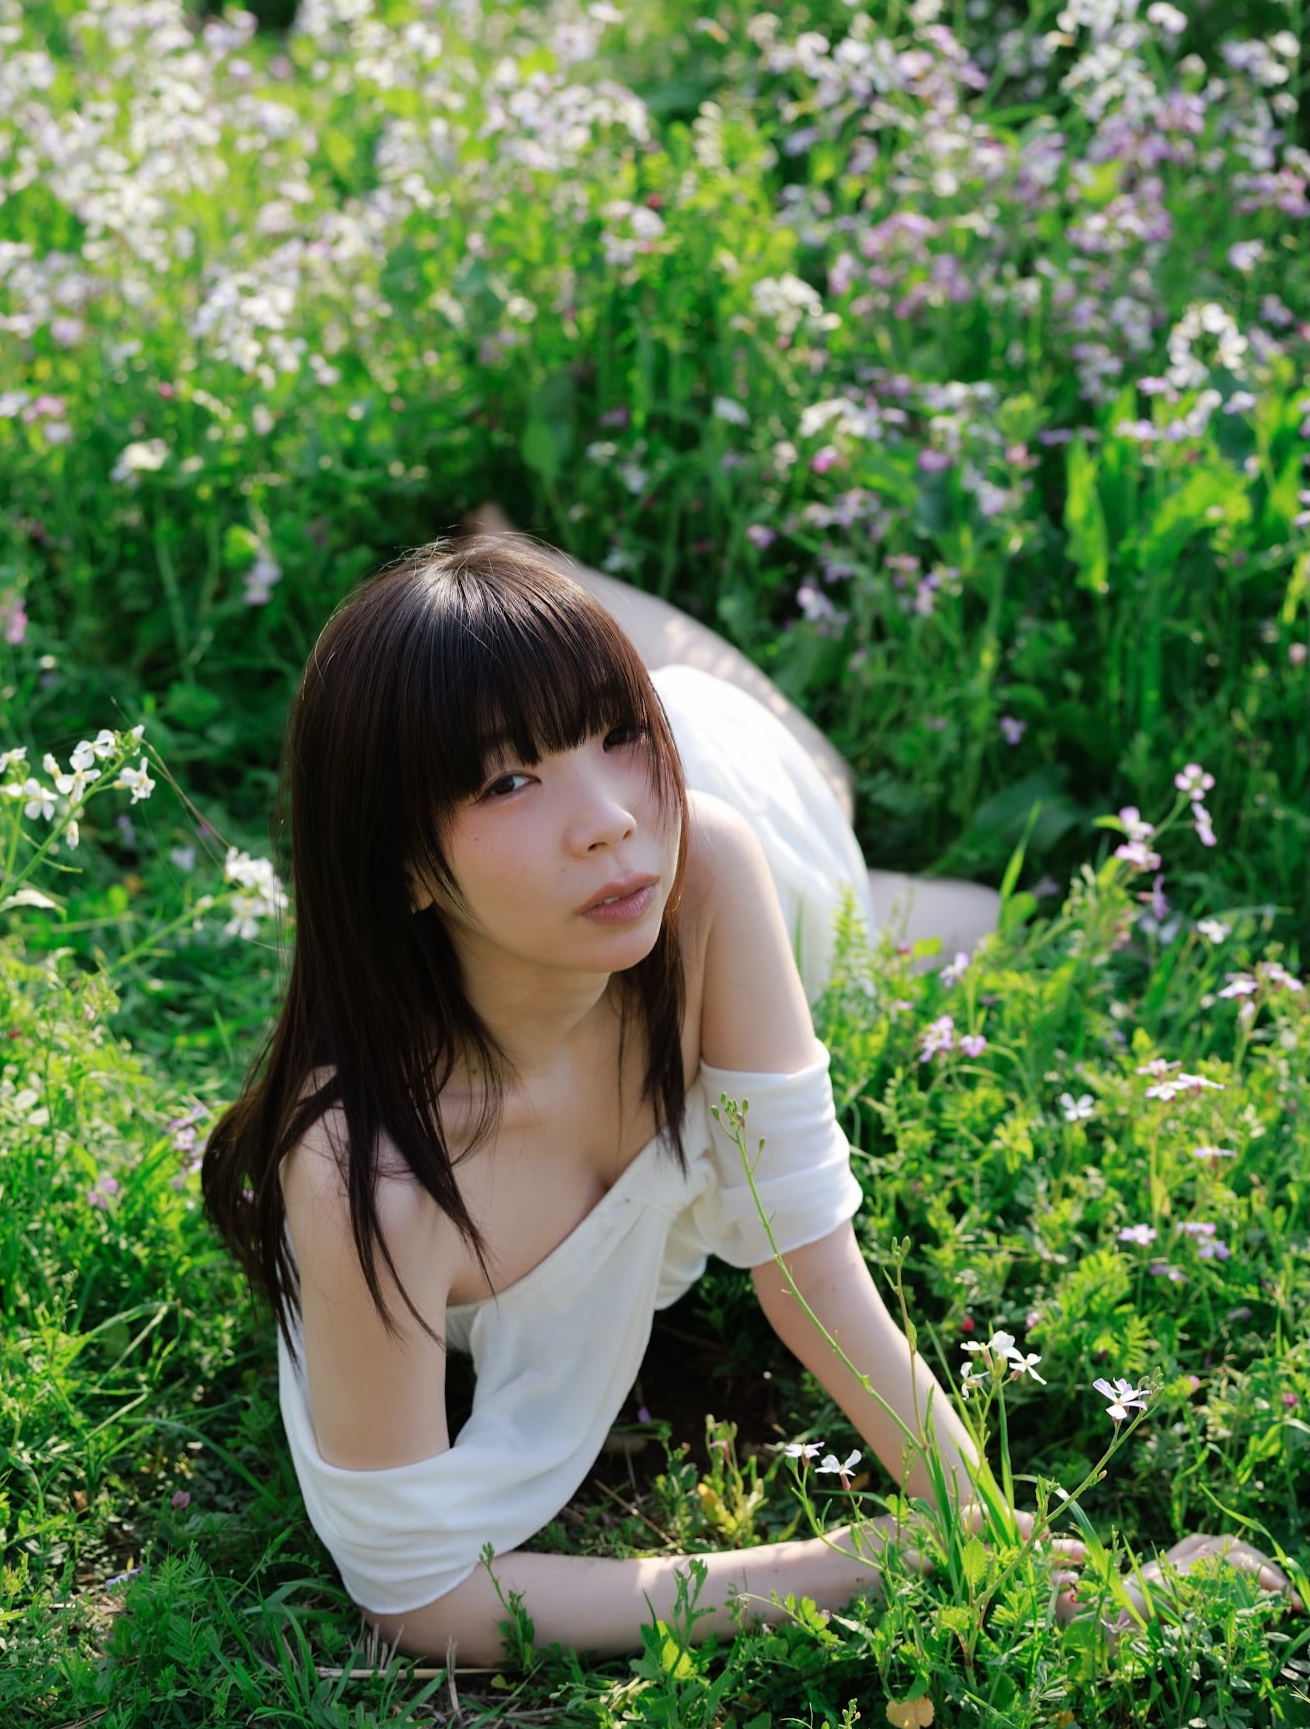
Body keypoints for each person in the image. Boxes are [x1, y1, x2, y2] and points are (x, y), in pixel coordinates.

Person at [201, 532, 1295, 1663]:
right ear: (401, 865)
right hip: (637, 887)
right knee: (909, 888)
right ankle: (545, 597)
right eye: (507, 780)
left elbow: (811, 1273)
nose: (607, 814)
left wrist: (993, 1554)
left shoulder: (702, 869)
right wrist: (846, 1564)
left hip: (738, 824)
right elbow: (421, 1595)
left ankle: (554, 591)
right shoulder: (371, 1178)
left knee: (881, 861)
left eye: (616, 731)